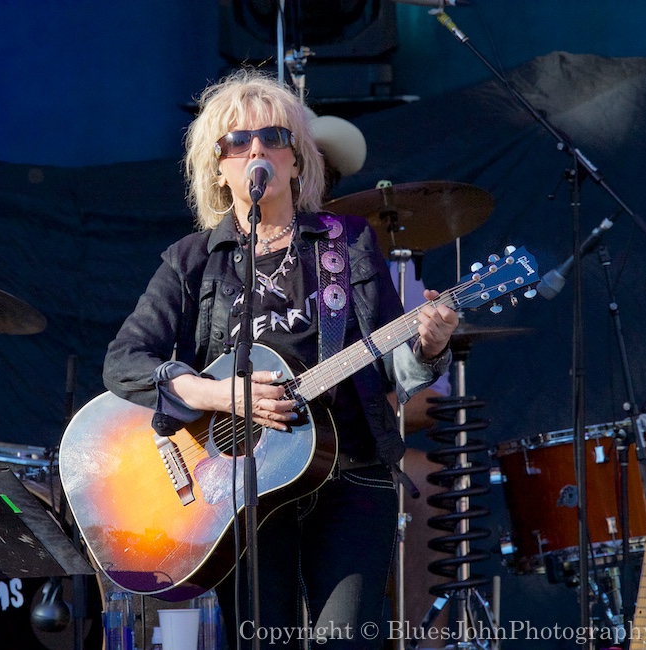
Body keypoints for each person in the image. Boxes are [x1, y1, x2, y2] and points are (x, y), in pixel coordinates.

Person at [102, 68, 458, 649]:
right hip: (239, 491)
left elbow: (390, 367)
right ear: (218, 168)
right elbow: (123, 361)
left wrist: (428, 345)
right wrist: (220, 395)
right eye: (237, 142)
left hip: (347, 474)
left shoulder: (347, 242)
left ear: (297, 159)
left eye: (274, 137)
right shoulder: (192, 260)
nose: (257, 150)